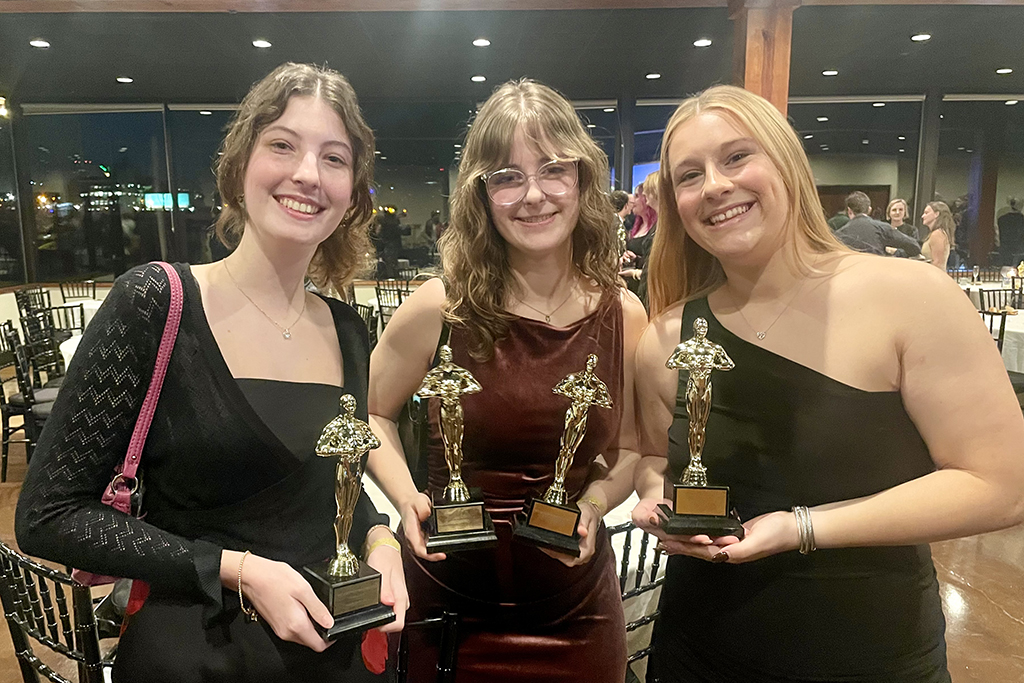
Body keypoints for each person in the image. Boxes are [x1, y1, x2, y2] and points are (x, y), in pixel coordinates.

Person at [15, 63, 408, 683]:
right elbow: (49, 516)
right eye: (283, 145)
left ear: (353, 191)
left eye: (334, 158)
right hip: (197, 649)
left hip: (331, 651)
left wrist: (380, 539)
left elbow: (332, 491)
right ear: (240, 164)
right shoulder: (155, 302)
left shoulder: (347, 330)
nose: (308, 174)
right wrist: (236, 569)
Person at [631, 84, 1024, 683]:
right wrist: (655, 502)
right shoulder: (666, 336)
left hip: (871, 654)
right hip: (698, 648)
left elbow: (1002, 486)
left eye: (736, 157)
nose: (713, 185)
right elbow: (657, 458)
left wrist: (801, 527)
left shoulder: (910, 297)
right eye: (689, 175)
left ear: (787, 163)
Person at [365, 78, 647, 683]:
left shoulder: (623, 314)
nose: (534, 195)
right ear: (482, 194)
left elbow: (631, 450)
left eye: (554, 170)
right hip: (447, 611)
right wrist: (407, 498)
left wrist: (595, 504)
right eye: (508, 177)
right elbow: (372, 414)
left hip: (576, 614)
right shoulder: (440, 306)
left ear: (582, 180)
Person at [835, 191, 920, 257]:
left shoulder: (838, 235)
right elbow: (914, 247)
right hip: (877, 271)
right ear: (869, 209)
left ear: (849, 211)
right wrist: (895, 253)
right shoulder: (883, 228)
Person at [622, 173, 659, 306]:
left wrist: (636, 273)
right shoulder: (637, 225)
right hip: (637, 289)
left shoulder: (661, 228)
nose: (633, 201)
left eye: (637, 196)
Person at [921, 200, 956, 270]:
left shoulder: (938, 234)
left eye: (926, 213)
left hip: (934, 275)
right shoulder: (936, 233)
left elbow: (937, 263)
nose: (923, 216)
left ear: (936, 214)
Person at [997, 197, 1024, 266]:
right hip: (1020, 252)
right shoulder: (1022, 220)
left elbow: (999, 235)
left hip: (1005, 251)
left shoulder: (1001, 219)